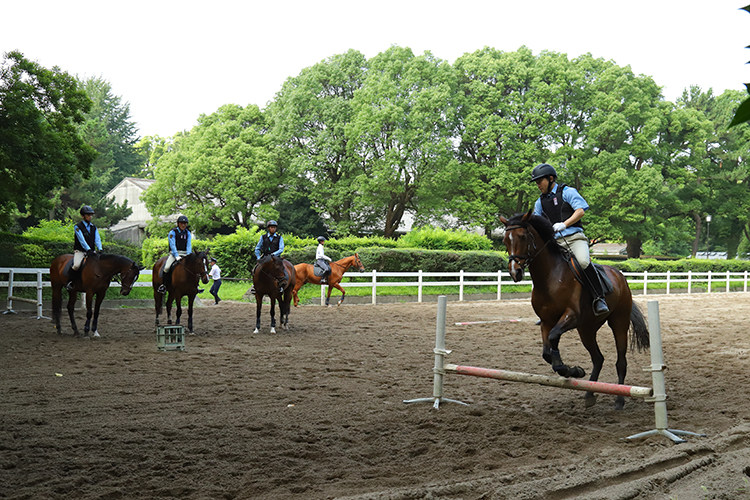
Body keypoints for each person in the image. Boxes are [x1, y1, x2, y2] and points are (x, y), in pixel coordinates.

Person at [531, 163, 609, 316]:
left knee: (583, 262)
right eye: (536, 182)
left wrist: (564, 224)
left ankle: (599, 298)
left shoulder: (568, 192)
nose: (538, 184)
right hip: (555, 242)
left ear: (551, 178)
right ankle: (547, 308)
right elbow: (536, 222)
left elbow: (580, 211)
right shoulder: (539, 202)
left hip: (574, 238)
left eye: (540, 181)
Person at [158, 215, 203, 294]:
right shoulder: (172, 232)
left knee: (194, 267)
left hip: (185, 253)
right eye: (182, 223)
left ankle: (196, 285)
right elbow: (172, 245)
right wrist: (176, 256)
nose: (183, 225)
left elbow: (189, 245)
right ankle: (164, 285)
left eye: (185, 223)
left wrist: (188, 256)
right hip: (175, 253)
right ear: (178, 223)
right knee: (167, 267)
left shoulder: (188, 233)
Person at [66, 205, 103, 291]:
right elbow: (81, 240)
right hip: (80, 251)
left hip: (91, 251)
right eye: (88, 215)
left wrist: (100, 248)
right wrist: (88, 249)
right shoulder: (78, 227)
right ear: (83, 216)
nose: (90, 217)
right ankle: (70, 282)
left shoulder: (93, 227)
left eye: (90, 215)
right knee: (76, 265)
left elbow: (97, 238)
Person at [249, 220, 285, 294]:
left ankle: (281, 286)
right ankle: (255, 285)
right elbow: (257, 248)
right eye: (272, 227)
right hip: (265, 257)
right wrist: (258, 257)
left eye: (274, 227)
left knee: (281, 270)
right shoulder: (263, 237)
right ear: (268, 228)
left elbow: (281, 249)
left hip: (276, 258)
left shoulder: (279, 238)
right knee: (255, 270)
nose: (273, 229)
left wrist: (273, 254)